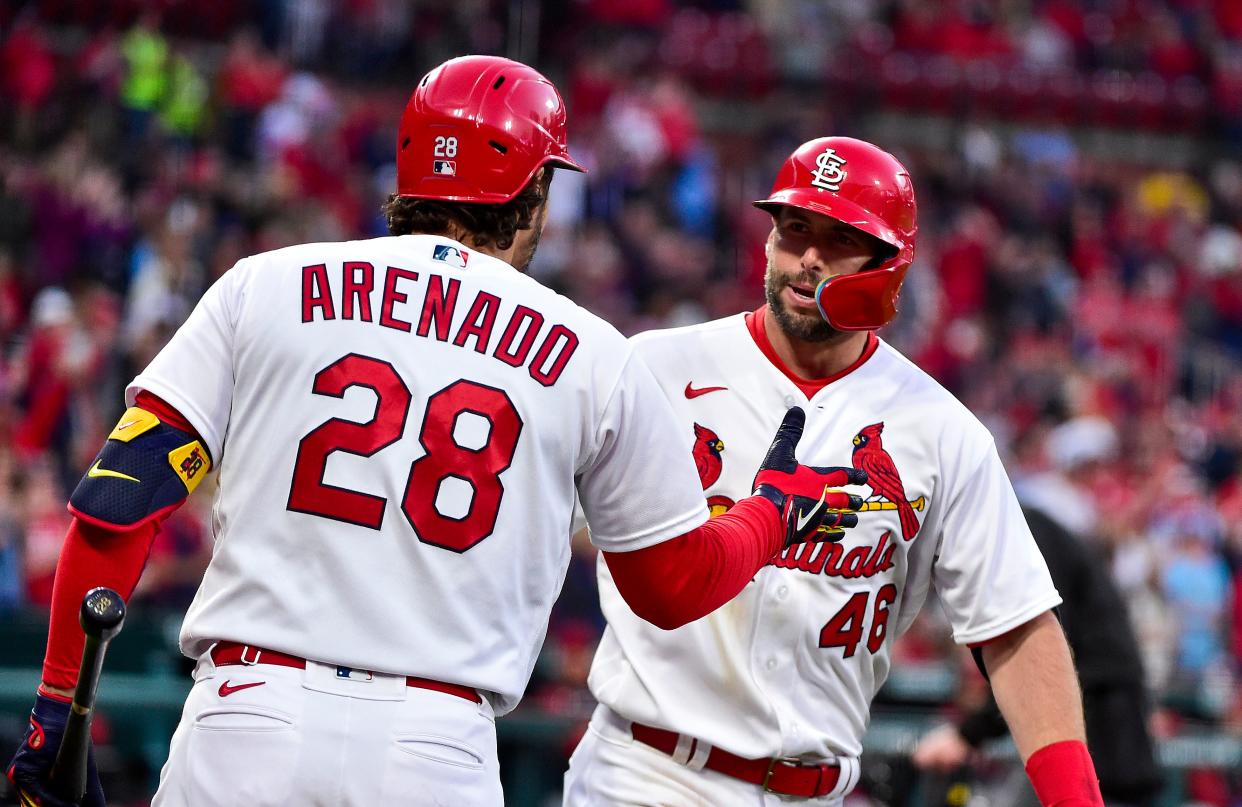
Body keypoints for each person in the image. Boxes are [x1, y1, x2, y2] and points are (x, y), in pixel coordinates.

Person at [5, 58, 864, 807]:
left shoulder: (263, 285)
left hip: (246, 711)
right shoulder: (593, 353)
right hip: (434, 740)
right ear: (532, 192)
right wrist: (769, 513)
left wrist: (52, 712)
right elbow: (672, 586)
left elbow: (118, 502)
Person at [564, 136, 1106, 806]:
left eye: (841, 237)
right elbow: (543, 522)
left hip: (816, 789)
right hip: (647, 771)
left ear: (891, 265)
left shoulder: (940, 429)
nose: (810, 256)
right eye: (794, 229)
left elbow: (1018, 627)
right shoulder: (655, 367)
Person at [913, 506, 1163, 806]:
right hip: (1105, 728)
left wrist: (967, 735)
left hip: (1102, 735)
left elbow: (1032, 655)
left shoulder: (1017, 530)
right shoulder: (1026, 526)